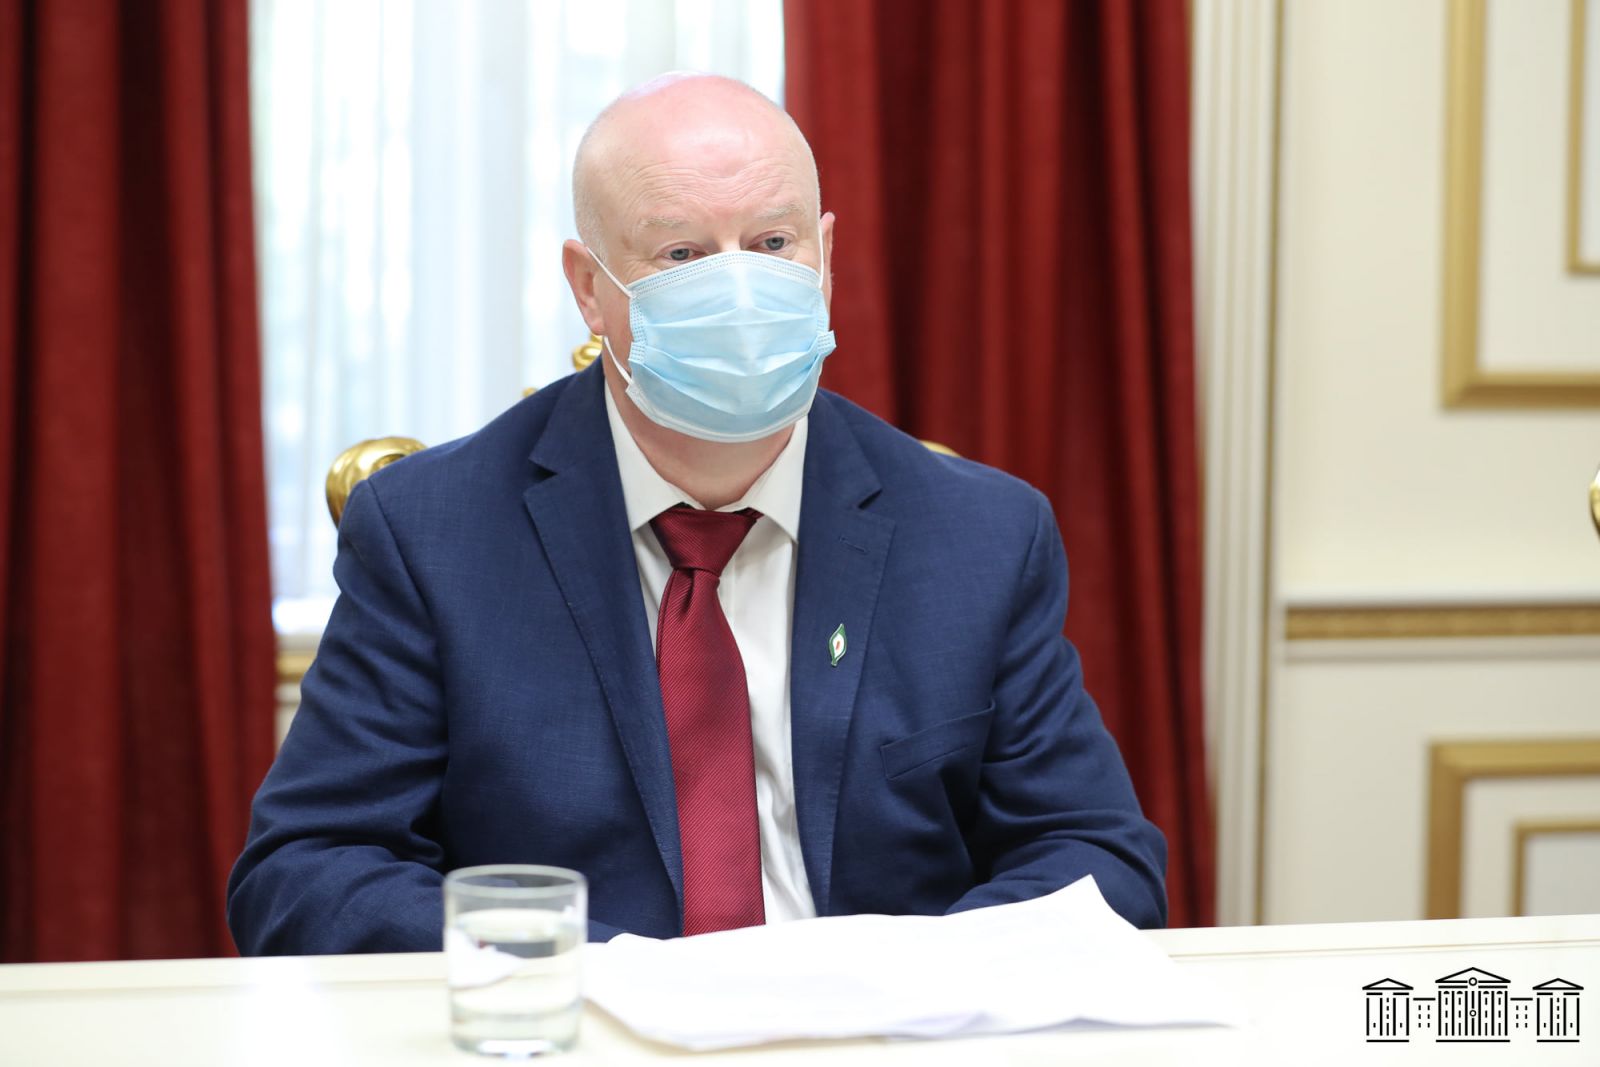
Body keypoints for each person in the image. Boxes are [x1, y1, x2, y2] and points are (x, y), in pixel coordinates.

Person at [227, 74, 1167, 954]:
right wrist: (587, 974)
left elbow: (1098, 856)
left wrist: (907, 984)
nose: (741, 286)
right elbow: (308, 869)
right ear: (590, 288)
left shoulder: (978, 534)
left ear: (827, 259)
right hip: (583, 1024)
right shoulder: (434, 533)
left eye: (774, 243)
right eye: (681, 254)